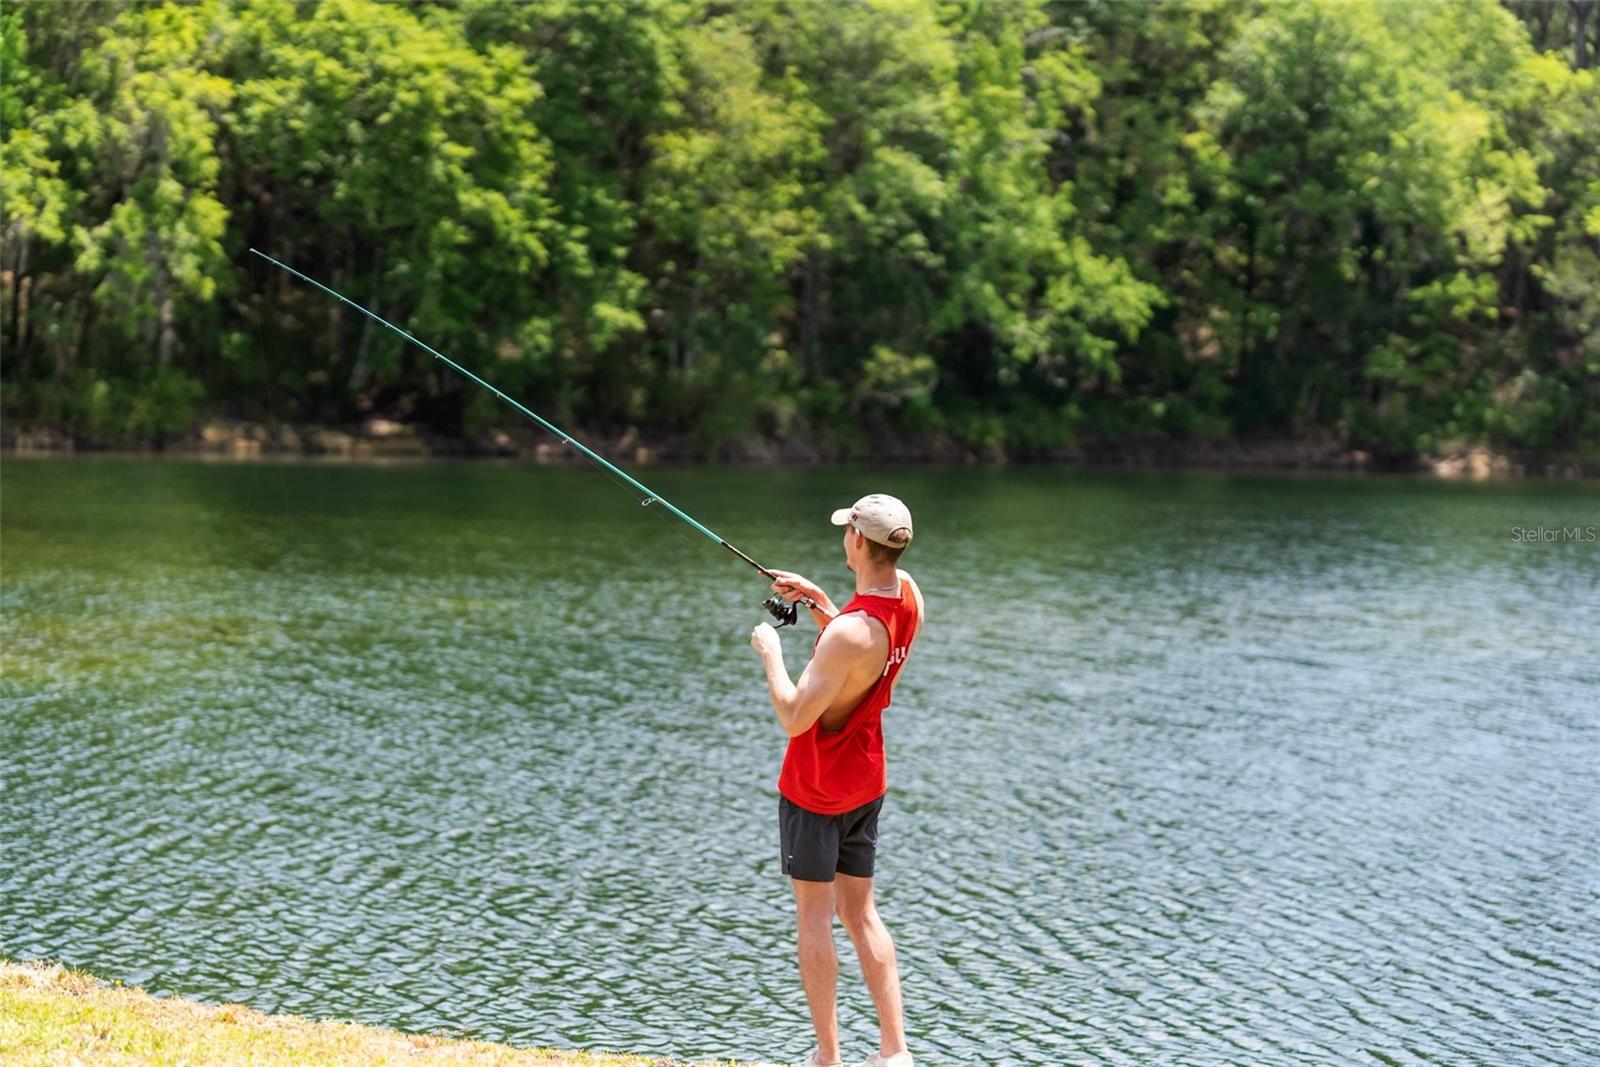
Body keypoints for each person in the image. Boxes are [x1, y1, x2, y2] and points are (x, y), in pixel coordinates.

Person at [749, 493, 925, 1067]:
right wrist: (825, 605)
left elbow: (796, 714)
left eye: (846, 530)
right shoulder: (908, 596)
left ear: (856, 540)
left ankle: (829, 1058)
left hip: (817, 788)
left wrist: (771, 652)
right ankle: (894, 1053)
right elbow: (867, 656)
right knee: (861, 913)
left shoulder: (848, 633)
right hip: (866, 782)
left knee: (814, 918)